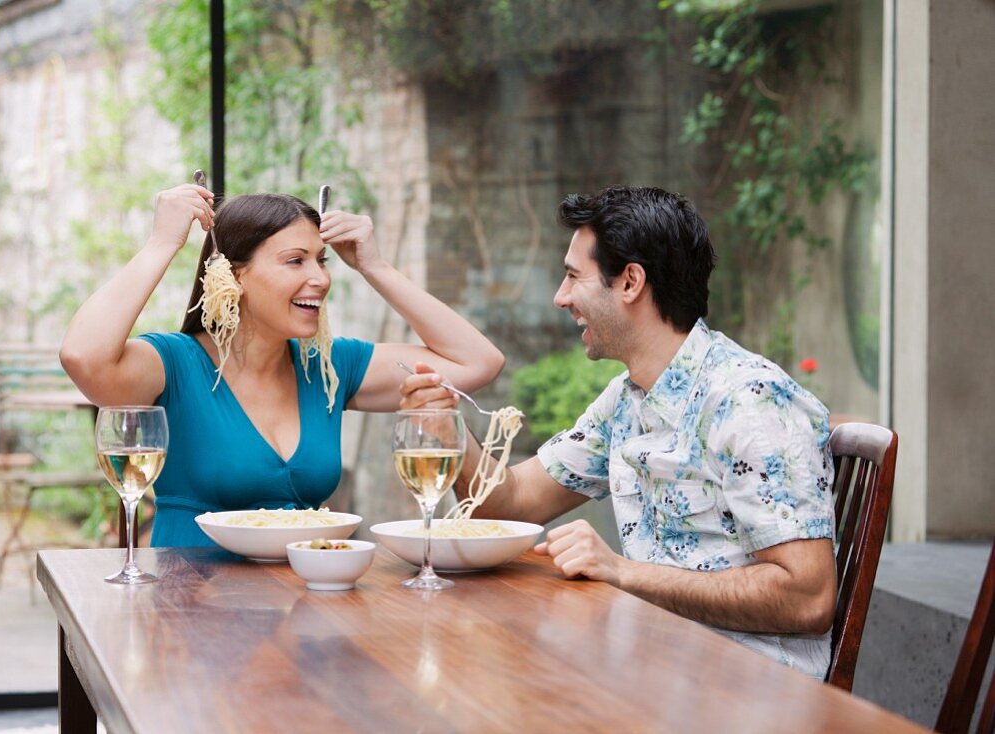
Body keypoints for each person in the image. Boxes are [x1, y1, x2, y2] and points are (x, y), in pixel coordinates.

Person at [400, 185, 837, 679]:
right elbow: (506, 503)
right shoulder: (627, 400)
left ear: (630, 282)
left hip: (746, 688)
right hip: (651, 664)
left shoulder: (748, 401)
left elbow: (808, 598)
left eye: (572, 276)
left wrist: (623, 572)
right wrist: (446, 421)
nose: (560, 298)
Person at [61, 183, 504, 547]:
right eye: (296, 261)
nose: (321, 278)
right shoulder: (174, 364)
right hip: (189, 613)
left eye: (322, 260)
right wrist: (162, 243)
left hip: (304, 613)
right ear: (232, 277)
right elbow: (84, 357)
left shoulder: (328, 368)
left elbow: (476, 362)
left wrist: (375, 266)